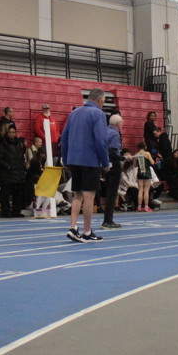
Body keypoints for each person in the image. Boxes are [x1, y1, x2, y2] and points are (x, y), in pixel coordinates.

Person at [59, 88, 110, 242]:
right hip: (90, 160)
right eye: (104, 101)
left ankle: (73, 227)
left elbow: (64, 137)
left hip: (74, 159)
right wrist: (105, 161)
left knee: (77, 194)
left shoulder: (74, 113)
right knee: (89, 196)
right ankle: (87, 231)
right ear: (100, 100)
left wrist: (66, 158)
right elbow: (101, 140)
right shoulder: (98, 114)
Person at [100, 114, 124, 228]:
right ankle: (108, 220)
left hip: (105, 164)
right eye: (122, 123)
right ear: (118, 124)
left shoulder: (104, 131)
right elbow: (112, 152)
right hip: (113, 164)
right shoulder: (115, 134)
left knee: (109, 191)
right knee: (112, 193)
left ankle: (107, 219)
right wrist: (124, 158)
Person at [132, 142, 155, 212]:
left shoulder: (136, 154)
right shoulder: (147, 153)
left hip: (140, 173)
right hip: (147, 173)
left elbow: (134, 165)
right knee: (146, 190)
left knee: (140, 190)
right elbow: (152, 162)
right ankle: (146, 206)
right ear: (145, 147)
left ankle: (139, 206)